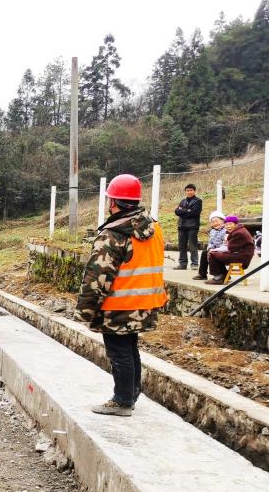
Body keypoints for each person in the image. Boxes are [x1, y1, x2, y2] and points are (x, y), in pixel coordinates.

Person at [77, 174, 166, 417]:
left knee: (119, 351)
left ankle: (123, 400)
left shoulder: (115, 233)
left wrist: (86, 310)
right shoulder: (154, 227)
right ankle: (132, 392)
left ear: (113, 202)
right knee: (130, 347)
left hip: (120, 303)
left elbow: (97, 276)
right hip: (146, 301)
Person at [206, 215, 255, 284]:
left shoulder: (239, 233)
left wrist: (214, 250)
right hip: (239, 254)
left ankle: (218, 278)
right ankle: (224, 275)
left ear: (236, 224)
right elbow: (228, 246)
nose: (228, 226)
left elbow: (229, 248)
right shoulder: (237, 231)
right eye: (226, 224)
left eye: (230, 224)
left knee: (213, 254)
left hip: (242, 256)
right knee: (216, 254)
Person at [173, 184, 202, 269]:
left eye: (191, 190)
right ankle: (182, 264)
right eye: (187, 190)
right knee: (182, 246)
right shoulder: (182, 201)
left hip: (192, 226)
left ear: (194, 191)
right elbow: (176, 212)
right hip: (182, 226)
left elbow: (195, 213)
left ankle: (194, 264)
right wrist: (187, 211)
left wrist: (183, 211)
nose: (189, 192)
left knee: (193, 245)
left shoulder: (198, 201)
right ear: (185, 191)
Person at [192, 211, 226, 281]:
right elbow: (210, 242)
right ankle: (202, 274)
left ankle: (221, 274)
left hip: (223, 250)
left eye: (217, 221)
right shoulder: (212, 231)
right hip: (214, 249)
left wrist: (216, 249)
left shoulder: (226, 230)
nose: (215, 223)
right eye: (213, 222)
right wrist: (210, 248)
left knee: (213, 254)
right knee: (205, 252)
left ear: (222, 220)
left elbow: (225, 243)